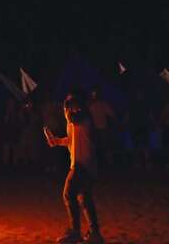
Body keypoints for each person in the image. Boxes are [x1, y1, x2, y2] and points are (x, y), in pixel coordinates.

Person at [44, 93, 104, 244]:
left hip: (82, 163)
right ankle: (94, 233)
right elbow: (72, 140)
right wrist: (57, 141)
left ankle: (75, 232)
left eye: (69, 104)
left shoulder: (82, 116)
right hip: (85, 164)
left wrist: (65, 109)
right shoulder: (75, 119)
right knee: (84, 198)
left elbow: (71, 118)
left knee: (68, 194)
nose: (67, 107)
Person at [88, 87, 118, 170]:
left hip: (101, 129)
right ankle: (104, 164)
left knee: (103, 147)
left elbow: (112, 115)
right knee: (100, 147)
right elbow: (112, 115)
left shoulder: (99, 105)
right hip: (98, 129)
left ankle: (106, 164)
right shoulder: (94, 106)